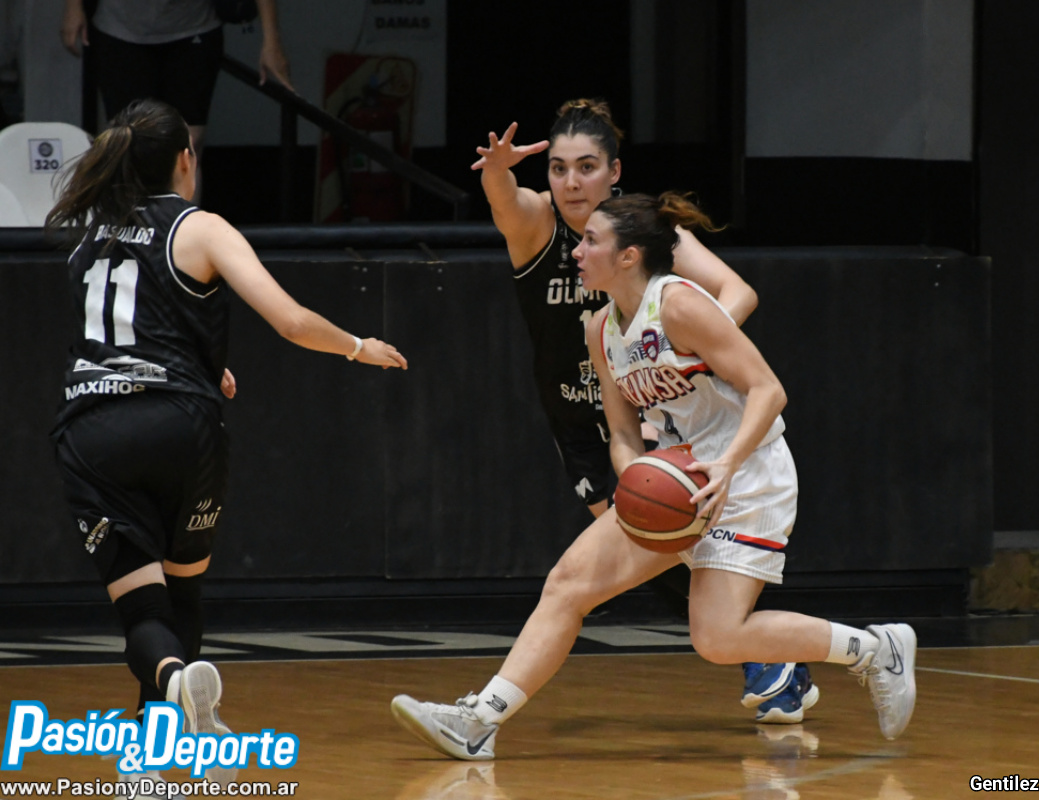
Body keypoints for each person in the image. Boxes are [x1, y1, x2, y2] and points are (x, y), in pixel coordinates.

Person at [390, 193, 917, 760]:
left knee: (717, 638)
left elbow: (768, 389)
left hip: (746, 476)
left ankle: (875, 649)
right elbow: (621, 432)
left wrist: (726, 463)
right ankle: (479, 722)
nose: (577, 251)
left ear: (629, 256)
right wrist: (634, 478)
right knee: (568, 584)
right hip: (678, 481)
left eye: (592, 241)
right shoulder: (600, 329)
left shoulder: (680, 305)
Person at [46, 98, 404, 791]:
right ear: (186, 159)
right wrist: (359, 346)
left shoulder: (91, 231)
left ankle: (169, 702)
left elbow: (121, 331)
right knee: (183, 591)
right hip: (185, 426)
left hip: (96, 430)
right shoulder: (200, 227)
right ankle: (165, 740)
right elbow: (291, 321)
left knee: (142, 610)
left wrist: (198, 364)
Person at [472, 98, 814, 723]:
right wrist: (497, 169)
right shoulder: (540, 225)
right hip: (581, 420)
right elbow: (504, 200)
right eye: (557, 168)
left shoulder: (646, 236)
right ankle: (759, 646)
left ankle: (765, 655)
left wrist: (679, 351)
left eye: (586, 167)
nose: (571, 182)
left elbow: (736, 292)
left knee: (642, 543)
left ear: (614, 173)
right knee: (656, 539)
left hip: (657, 413)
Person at [60, 0, 293, 196]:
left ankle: (183, 228)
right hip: (120, 28)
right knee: (129, 144)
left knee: (188, 144)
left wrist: (272, 39)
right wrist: (73, 6)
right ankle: (132, 230)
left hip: (193, 26)